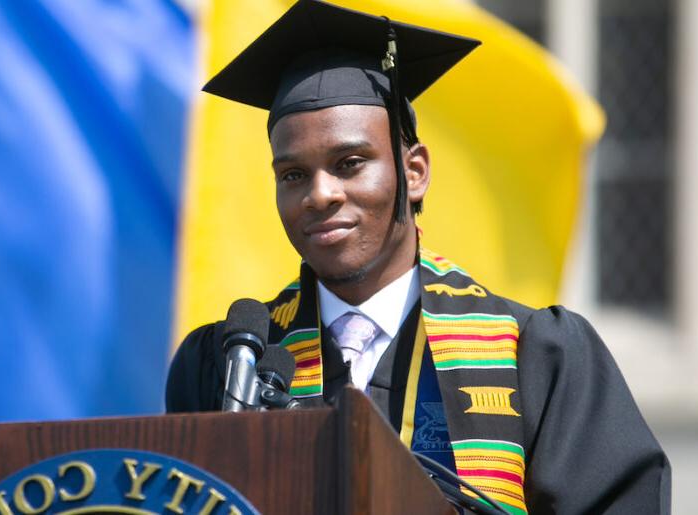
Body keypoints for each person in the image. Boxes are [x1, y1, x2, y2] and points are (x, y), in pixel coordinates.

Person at [164, 1, 671, 513]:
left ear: (415, 171)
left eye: (349, 163)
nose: (320, 194)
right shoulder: (229, 366)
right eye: (293, 175)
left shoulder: (535, 358)